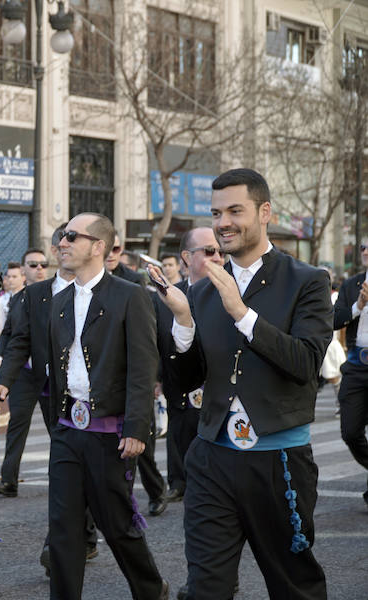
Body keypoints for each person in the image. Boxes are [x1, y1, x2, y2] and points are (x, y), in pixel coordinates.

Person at [154, 168, 331, 600]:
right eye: (216, 213)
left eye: (235, 210)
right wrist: (181, 324)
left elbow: (305, 363)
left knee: (294, 586)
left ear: (264, 211)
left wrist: (242, 312)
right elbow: (184, 383)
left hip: (280, 462)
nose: (223, 222)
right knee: (205, 588)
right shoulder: (200, 291)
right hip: (211, 458)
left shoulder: (307, 281)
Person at [47, 212, 168, 600]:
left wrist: (136, 428)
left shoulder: (130, 295)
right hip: (68, 430)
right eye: (62, 237)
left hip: (110, 433)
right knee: (63, 529)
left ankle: (150, 590)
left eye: (71, 237)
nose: (62, 243)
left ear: (98, 246)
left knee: (117, 525)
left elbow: (142, 365)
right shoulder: (60, 299)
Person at [0, 224, 99, 574]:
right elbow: (18, 338)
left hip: (86, 399)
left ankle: (86, 537)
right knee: (63, 468)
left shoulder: (102, 293)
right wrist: (4, 378)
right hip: (46, 387)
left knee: (85, 471)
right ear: (56, 251)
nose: (66, 249)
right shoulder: (33, 296)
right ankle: (61, 545)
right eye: (62, 244)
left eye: (74, 242)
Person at [0, 243, 63, 498]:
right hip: (24, 372)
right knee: (17, 425)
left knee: (57, 429)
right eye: (33, 265)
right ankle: (9, 481)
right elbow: (10, 333)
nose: (40, 269)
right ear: (23, 270)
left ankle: (65, 479)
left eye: (44, 265)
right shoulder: (19, 299)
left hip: (51, 373)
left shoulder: (59, 292)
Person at [156, 229, 224, 503]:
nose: (218, 257)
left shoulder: (231, 291)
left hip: (217, 383)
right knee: (178, 429)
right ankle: (178, 480)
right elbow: (156, 341)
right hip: (177, 378)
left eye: (221, 251)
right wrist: (156, 377)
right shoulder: (166, 296)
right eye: (209, 251)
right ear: (187, 257)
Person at [108, 232, 167, 516]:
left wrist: (155, 377)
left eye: (116, 247)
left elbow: (148, 339)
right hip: (104, 385)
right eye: (106, 246)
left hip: (134, 376)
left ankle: (156, 491)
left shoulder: (133, 283)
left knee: (144, 446)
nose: (110, 252)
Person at [332, 240, 368, 505]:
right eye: (363, 247)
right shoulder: (352, 284)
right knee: (350, 432)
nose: (365, 251)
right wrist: (359, 305)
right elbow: (335, 319)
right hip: (356, 365)